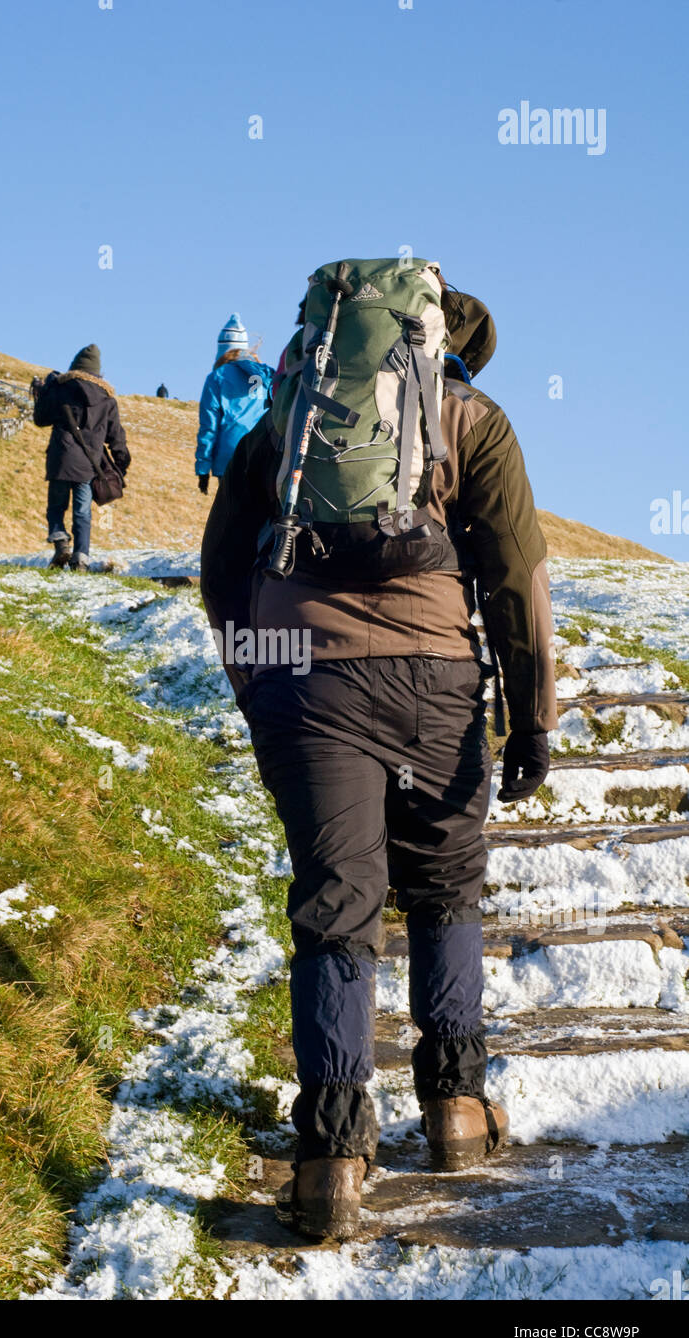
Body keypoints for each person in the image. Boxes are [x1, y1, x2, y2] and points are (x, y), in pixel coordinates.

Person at [201, 265, 557, 1241]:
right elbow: (515, 578)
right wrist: (529, 718)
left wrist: (258, 677)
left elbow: (221, 563)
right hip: (436, 686)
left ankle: (329, 1163)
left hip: (308, 686)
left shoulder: (291, 418)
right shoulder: (470, 419)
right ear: (437, 335)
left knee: (334, 909)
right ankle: (452, 1110)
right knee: (442, 887)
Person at [32, 343, 130, 571]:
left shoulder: (60, 389)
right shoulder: (107, 399)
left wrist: (45, 391)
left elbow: (40, 419)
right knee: (82, 512)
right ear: (98, 371)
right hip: (88, 464)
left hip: (60, 458)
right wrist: (121, 461)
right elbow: (116, 436)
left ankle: (60, 541)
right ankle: (81, 558)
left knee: (56, 506)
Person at [195, 314, 273, 496]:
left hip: (231, 455)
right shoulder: (268, 374)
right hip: (266, 451)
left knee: (233, 517)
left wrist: (203, 468)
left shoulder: (218, 377)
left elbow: (209, 426)